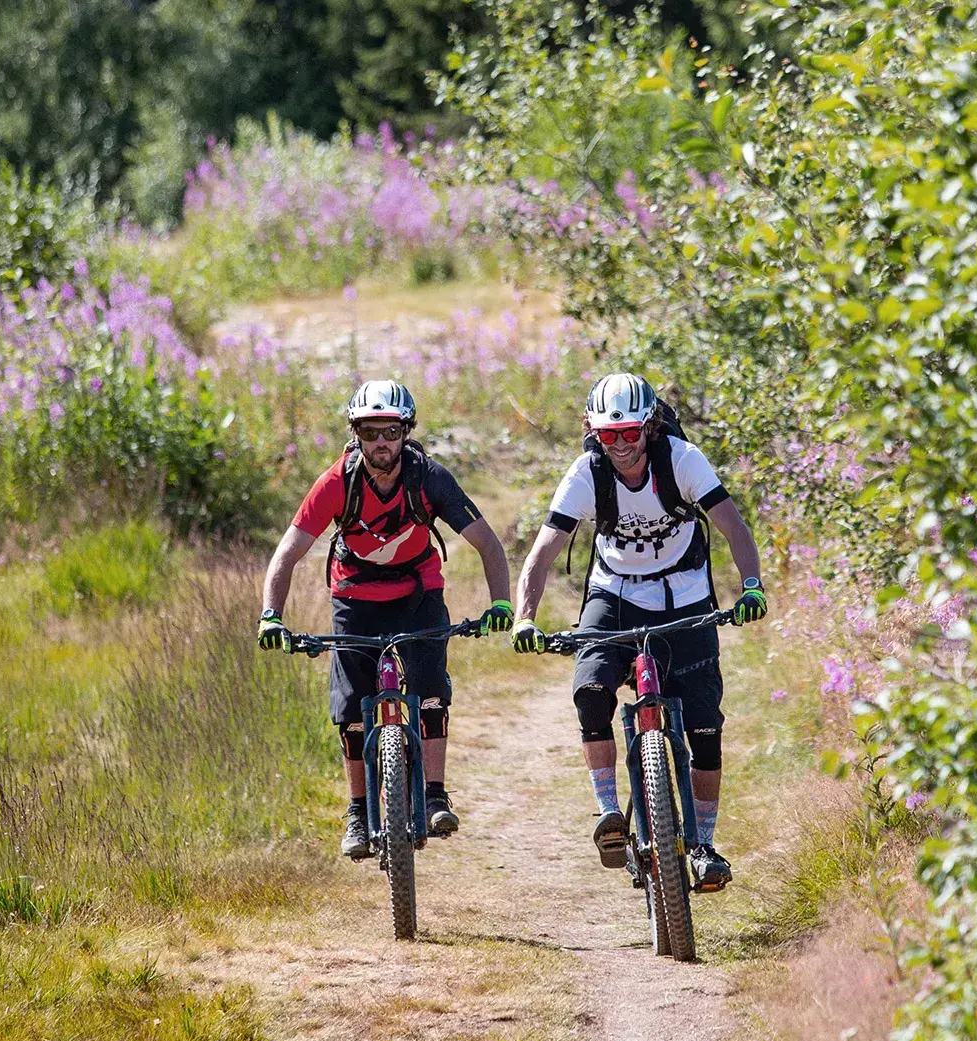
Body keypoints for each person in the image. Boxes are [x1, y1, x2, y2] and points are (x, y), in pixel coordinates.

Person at [509, 373, 766, 892]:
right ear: (593, 433)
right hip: (615, 594)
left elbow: (733, 527)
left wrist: (752, 587)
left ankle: (703, 844)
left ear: (649, 427)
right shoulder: (586, 474)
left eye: (630, 432)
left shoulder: (682, 460)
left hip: (686, 595)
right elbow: (542, 553)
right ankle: (608, 813)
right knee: (591, 691)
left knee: (704, 727)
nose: (622, 445)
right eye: (609, 435)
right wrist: (525, 616)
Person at [258, 380, 515, 858]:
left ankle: (435, 795)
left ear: (406, 433)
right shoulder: (337, 482)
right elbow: (287, 553)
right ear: (356, 435)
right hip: (354, 597)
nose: (381, 441)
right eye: (370, 431)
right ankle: (357, 813)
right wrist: (271, 615)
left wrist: (502, 604)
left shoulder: (429, 479)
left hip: (418, 594)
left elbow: (488, 544)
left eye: (390, 431)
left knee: (431, 686)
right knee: (352, 707)